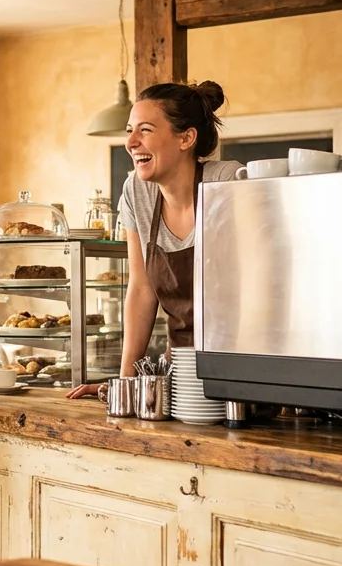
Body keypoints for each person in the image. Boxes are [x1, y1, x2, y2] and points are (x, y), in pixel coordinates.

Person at [68, 81, 240, 397]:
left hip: (238, 370)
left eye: (145, 130)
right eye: (130, 130)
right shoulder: (137, 191)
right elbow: (141, 288)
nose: (131, 142)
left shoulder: (226, 183)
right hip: (181, 374)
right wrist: (125, 384)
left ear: (186, 138)